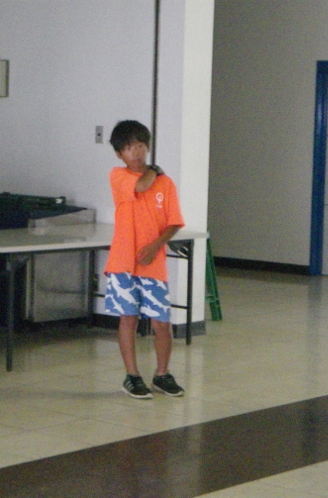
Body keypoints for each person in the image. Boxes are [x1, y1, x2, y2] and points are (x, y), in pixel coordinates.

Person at [104, 120, 186, 399]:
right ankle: (132, 376)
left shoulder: (166, 183)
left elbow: (174, 222)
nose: (136, 153)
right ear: (119, 154)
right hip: (123, 263)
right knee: (128, 319)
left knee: (161, 322)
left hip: (154, 264)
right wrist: (155, 169)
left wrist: (156, 246)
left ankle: (162, 375)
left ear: (147, 147)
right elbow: (140, 185)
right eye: (129, 148)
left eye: (140, 146)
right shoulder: (118, 175)